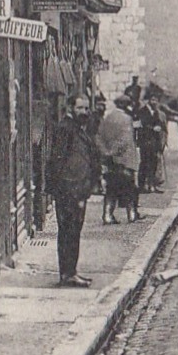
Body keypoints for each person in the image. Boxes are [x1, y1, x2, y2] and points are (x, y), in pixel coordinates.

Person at [46, 97, 98, 287]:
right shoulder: (65, 129)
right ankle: (67, 274)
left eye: (86, 108)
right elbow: (57, 162)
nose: (84, 111)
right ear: (70, 108)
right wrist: (63, 190)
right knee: (69, 232)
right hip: (69, 191)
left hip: (77, 190)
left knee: (74, 232)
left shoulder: (78, 129)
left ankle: (71, 272)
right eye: (80, 108)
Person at [97, 95, 141, 223]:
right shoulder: (127, 119)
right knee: (129, 187)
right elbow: (125, 140)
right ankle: (131, 214)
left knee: (111, 188)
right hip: (124, 159)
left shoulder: (107, 118)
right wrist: (114, 151)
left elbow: (99, 137)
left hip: (110, 161)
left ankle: (107, 215)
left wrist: (106, 152)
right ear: (126, 105)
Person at [134, 92, 166, 193]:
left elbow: (159, 123)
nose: (154, 102)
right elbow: (142, 125)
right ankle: (141, 185)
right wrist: (153, 128)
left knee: (154, 163)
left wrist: (160, 127)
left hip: (154, 141)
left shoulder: (155, 112)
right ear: (148, 100)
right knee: (144, 163)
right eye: (152, 100)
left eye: (156, 100)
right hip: (145, 140)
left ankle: (152, 184)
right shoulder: (142, 111)